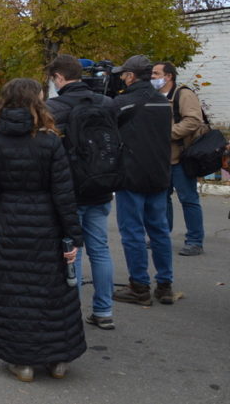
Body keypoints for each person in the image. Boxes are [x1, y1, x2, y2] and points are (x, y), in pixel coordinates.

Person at [0, 78, 85, 383]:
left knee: (16, 292)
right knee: (53, 292)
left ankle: (22, 363)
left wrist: (6, 191)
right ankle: (58, 361)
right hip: (46, 226)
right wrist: (73, 236)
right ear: (37, 102)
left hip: (10, 225)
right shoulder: (50, 141)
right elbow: (64, 194)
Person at [45, 54, 118, 330]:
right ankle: (104, 310)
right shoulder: (107, 104)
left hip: (68, 191)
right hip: (101, 185)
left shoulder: (53, 107)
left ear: (59, 78)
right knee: (100, 249)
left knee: (69, 250)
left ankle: (71, 313)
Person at [110, 55, 176, 306]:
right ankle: (165, 285)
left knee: (133, 232)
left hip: (131, 175)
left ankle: (139, 286)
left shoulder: (123, 102)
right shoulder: (162, 102)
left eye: (124, 74)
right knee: (159, 230)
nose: (122, 78)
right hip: (159, 173)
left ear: (131, 76)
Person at [152, 61, 206, 256]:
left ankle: (195, 241)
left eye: (156, 74)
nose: (152, 77)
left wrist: (166, 134)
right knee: (161, 200)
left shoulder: (183, 94)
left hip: (181, 158)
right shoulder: (155, 97)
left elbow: (193, 120)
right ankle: (161, 236)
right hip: (161, 158)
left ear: (168, 77)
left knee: (188, 199)